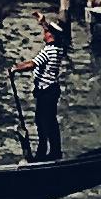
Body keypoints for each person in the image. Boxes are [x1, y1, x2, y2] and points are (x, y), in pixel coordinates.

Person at [30, 20, 65, 161]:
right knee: (46, 120)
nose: (43, 33)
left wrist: (15, 68)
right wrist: (43, 21)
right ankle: (51, 151)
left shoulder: (49, 51)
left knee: (45, 122)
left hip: (47, 92)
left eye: (46, 32)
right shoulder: (58, 48)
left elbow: (32, 64)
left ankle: (44, 152)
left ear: (50, 35)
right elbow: (51, 32)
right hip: (49, 90)